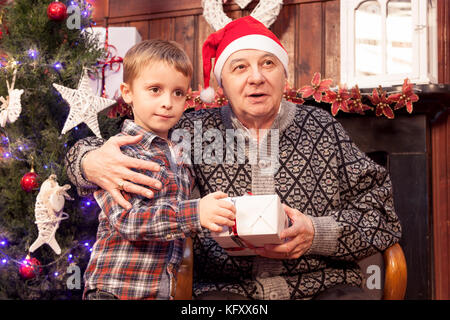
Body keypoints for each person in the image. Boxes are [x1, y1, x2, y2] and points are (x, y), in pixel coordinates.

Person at [66, 16, 402, 300]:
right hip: (228, 291)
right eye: (239, 67)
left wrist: (316, 232)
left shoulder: (322, 127)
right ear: (221, 84)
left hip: (322, 286)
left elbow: (382, 216)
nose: (256, 76)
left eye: (267, 63)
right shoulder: (189, 129)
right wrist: (88, 160)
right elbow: (125, 139)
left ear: (283, 74)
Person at [81, 39, 236, 300]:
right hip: (116, 290)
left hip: (161, 290)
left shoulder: (180, 152)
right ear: (127, 92)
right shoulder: (120, 153)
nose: (168, 102)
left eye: (178, 93)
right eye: (155, 89)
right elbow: (129, 221)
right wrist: (196, 212)